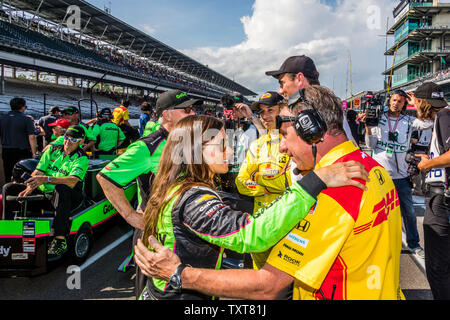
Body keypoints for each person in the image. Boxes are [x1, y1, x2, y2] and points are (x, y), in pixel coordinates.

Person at [134, 85, 404, 301]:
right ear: (195, 152)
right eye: (222, 145)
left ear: (313, 131)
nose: (282, 147)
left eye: (285, 134)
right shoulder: (372, 168)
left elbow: (267, 285)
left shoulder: (339, 185)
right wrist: (312, 182)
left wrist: (180, 273)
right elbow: (250, 232)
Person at [96, 90, 198, 298]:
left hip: (181, 229)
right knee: (148, 291)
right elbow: (105, 178)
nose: (193, 113)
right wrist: (131, 216)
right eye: (187, 109)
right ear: (167, 115)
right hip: (153, 232)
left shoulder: (186, 140)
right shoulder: (147, 146)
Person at [362, 89, 434, 259]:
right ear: (389, 101)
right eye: (394, 100)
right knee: (378, 213)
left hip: (402, 176)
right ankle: (378, 245)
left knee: (408, 212)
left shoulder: (408, 120)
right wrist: (368, 126)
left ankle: (414, 244)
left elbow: (429, 122)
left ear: (404, 104)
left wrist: (416, 103)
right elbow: (370, 145)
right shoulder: (379, 119)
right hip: (381, 176)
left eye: (400, 101)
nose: (396, 103)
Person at [265, 55, 355, 183]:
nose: (280, 90)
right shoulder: (321, 108)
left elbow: (344, 162)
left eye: (282, 83)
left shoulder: (324, 111)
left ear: (299, 78)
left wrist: (314, 182)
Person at [9, 125, 89, 261]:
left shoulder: (82, 158)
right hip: (46, 192)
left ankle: (59, 240)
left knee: (61, 188)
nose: (68, 142)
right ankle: (8, 232)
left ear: (81, 141)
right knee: (9, 188)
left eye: (73, 140)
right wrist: (29, 187)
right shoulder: (52, 150)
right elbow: (38, 171)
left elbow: (72, 181)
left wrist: (46, 179)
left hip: (70, 195)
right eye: (66, 138)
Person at [235, 92, 290, 269]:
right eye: (262, 112)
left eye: (270, 110)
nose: (265, 116)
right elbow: (241, 182)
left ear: (283, 110)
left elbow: (291, 182)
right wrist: (268, 187)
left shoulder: (294, 141)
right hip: (261, 225)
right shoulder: (257, 144)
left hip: (289, 224)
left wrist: (258, 176)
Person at [413, 82, 450, 299]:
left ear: (423, 102)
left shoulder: (444, 116)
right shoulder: (443, 116)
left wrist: (427, 165)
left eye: (416, 102)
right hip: (441, 198)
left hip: (441, 201)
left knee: (437, 267)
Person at [0, 98, 37, 183]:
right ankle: (21, 191)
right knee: (23, 174)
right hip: (22, 151)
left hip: (7, 150)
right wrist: (34, 152)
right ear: (22, 107)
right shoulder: (26, 119)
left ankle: (8, 190)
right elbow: (31, 137)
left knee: (8, 172)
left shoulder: (2, 118)